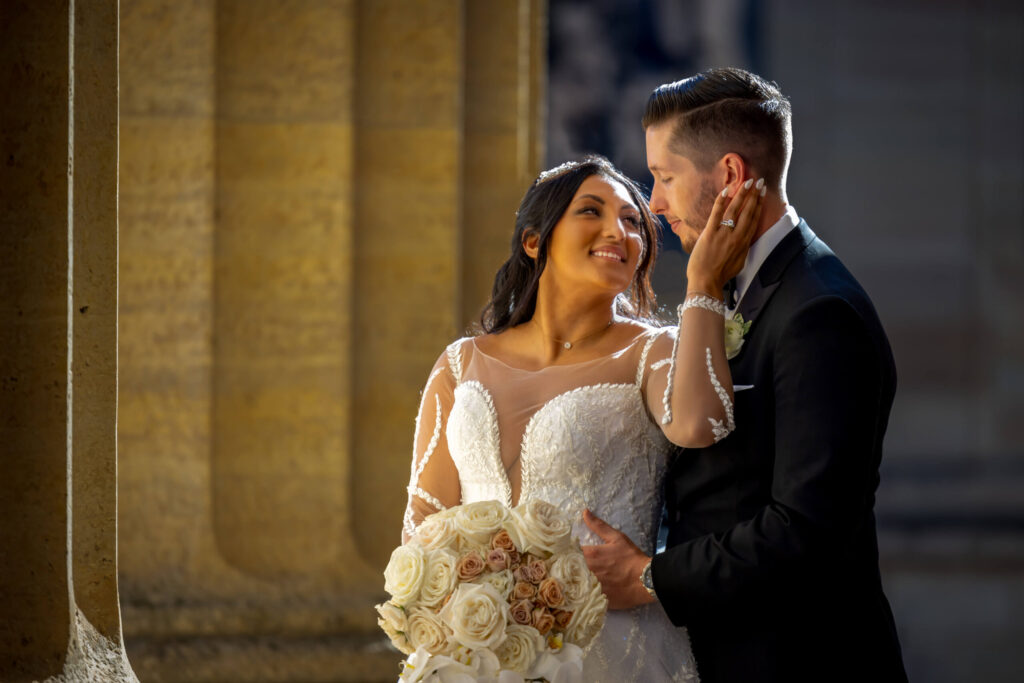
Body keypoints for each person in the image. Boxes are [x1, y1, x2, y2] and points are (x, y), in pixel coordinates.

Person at [582, 68, 908, 682]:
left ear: (728, 175)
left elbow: (805, 529)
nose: (653, 203)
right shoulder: (726, 287)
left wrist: (647, 576)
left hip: (799, 659)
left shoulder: (819, 311)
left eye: (665, 177)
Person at [402, 154, 764, 681]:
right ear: (534, 241)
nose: (617, 230)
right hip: (474, 652)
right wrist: (442, 627)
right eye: (590, 211)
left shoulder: (654, 351)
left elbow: (699, 424)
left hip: (611, 644)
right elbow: (425, 515)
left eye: (633, 220)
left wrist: (703, 284)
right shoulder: (461, 363)